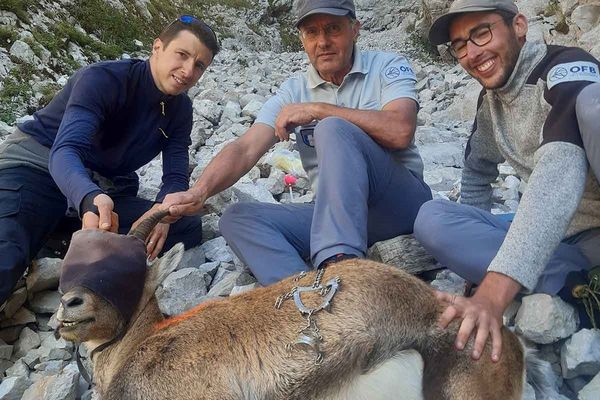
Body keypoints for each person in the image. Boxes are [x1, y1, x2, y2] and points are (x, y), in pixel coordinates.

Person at [164, 0, 432, 285]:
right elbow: (246, 148)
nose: (323, 42)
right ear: (302, 39)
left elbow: (400, 129)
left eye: (333, 29)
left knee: (332, 128)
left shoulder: (387, 66)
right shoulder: (294, 90)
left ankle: (340, 270)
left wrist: (319, 110)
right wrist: (200, 192)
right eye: (312, 32)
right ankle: (309, 301)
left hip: (401, 205)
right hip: (334, 214)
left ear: (355, 29)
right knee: (238, 219)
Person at [413, 0, 600, 362]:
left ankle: (541, 283)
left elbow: (560, 164)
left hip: (594, 231)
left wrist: (494, 291)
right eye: (460, 45)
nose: (472, 53)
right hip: (557, 241)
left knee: (594, 105)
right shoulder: (492, 100)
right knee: (431, 218)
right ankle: (572, 283)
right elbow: (476, 170)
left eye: (481, 33)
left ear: (518, 26)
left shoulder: (566, 69)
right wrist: (468, 257)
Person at [0, 15, 219, 308]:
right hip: (38, 168)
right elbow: (65, 151)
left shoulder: (180, 110)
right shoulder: (104, 79)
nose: (188, 70)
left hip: (102, 188)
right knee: (7, 253)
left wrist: (167, 210)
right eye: (182, 54)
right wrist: (89, 199)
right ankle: (48, 232)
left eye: (200, 65)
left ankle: (58, 237)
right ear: (157, 48)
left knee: (185, 228)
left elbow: (175, 173)